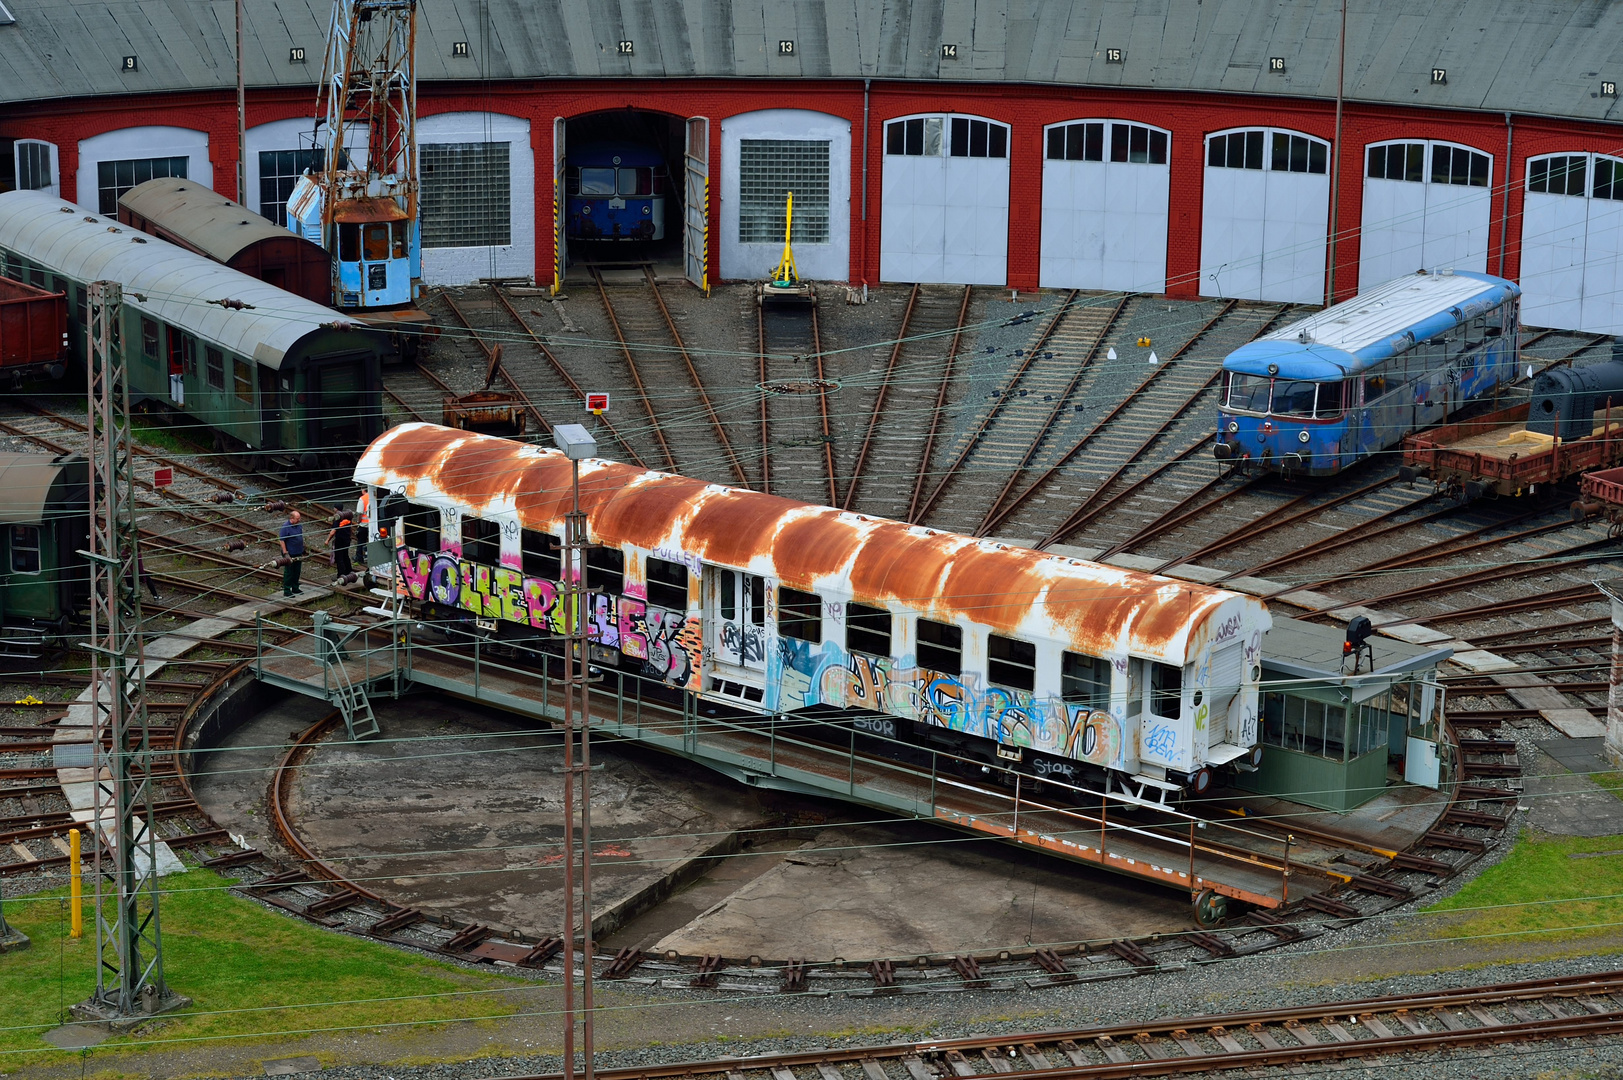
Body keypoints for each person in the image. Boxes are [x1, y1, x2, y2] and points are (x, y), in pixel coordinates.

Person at [278, 509, 305, 597]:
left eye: (299, 518)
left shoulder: (299, 526)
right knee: (289, 572)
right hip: (290, 553)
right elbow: (282, 540)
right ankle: (287, 590)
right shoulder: (285, 527)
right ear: (292, 518)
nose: (299, 520)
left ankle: (295, 587)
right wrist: (285, 552)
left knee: (297, 571)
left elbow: (300, 537)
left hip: (298, 552)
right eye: (297, 518)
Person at [328, 506, 354, 582]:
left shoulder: (337, 518)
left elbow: (333, 531)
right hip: (347, 540)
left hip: (340, 540)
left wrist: (327, 540)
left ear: (335, 509)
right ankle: (349, 571)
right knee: (346, 556)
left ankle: (341, 575)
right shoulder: (348, 517)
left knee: (339, 558)